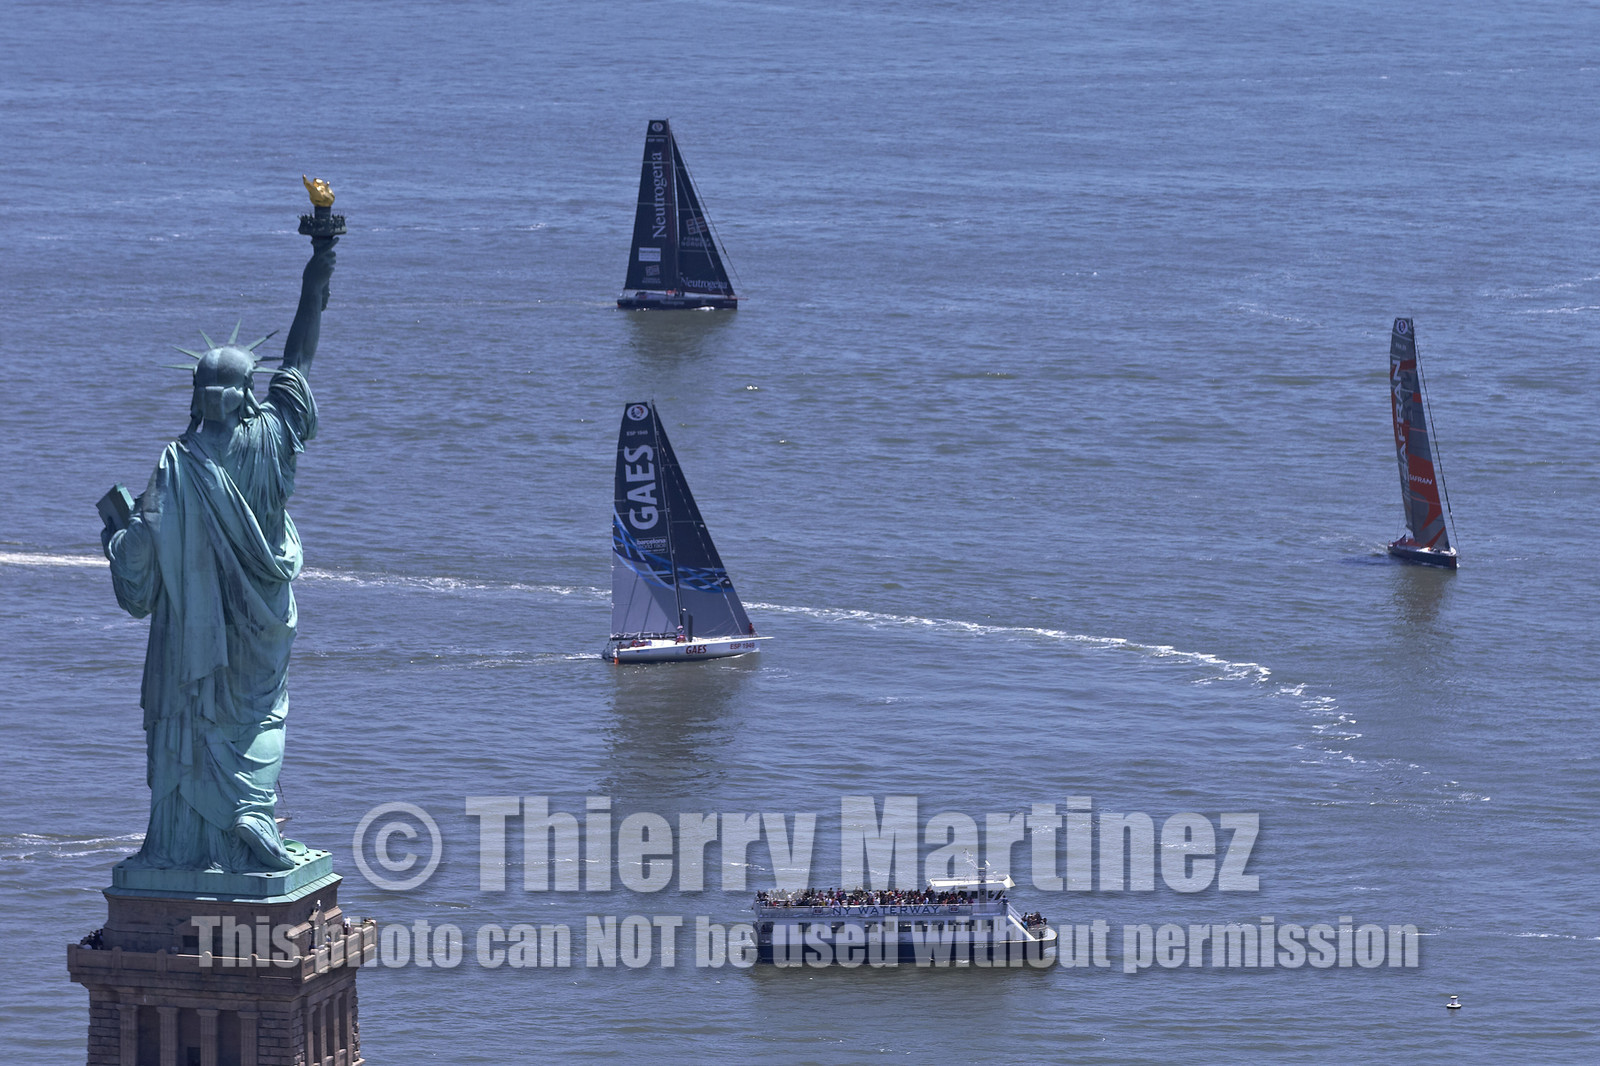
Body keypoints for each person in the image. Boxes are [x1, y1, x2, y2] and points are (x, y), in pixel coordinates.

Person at [103, 216, 337, 873]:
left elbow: (142, 558)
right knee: (260, 716)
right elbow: (299, 358)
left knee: (195, 714)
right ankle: (248, 815)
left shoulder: (176, 462)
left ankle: (191, 842)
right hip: (263, 618)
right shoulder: (272, 438)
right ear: (245, 395)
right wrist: (318, 270)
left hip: (195, 633)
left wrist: (116, 537)